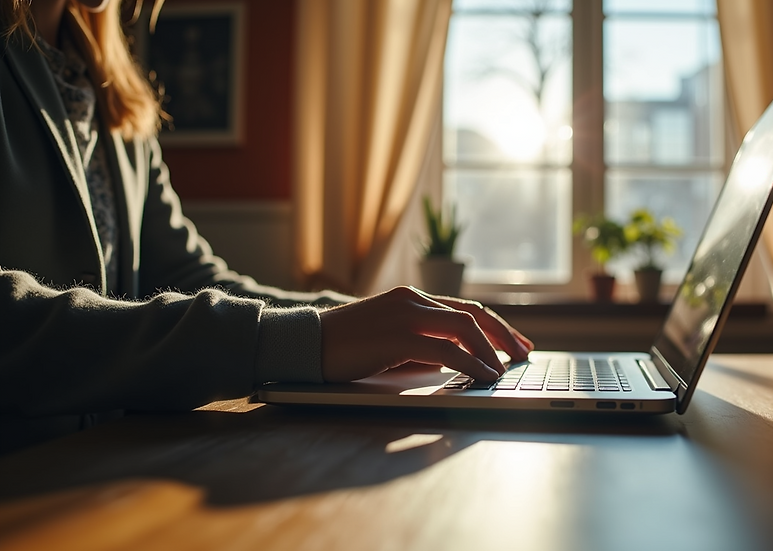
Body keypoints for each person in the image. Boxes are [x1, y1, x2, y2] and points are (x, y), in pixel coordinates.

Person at [0, 0, 532, 452]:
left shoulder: (112, 93)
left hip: (95, 470)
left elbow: (189, 276)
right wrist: (308, 340)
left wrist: (354, 321)